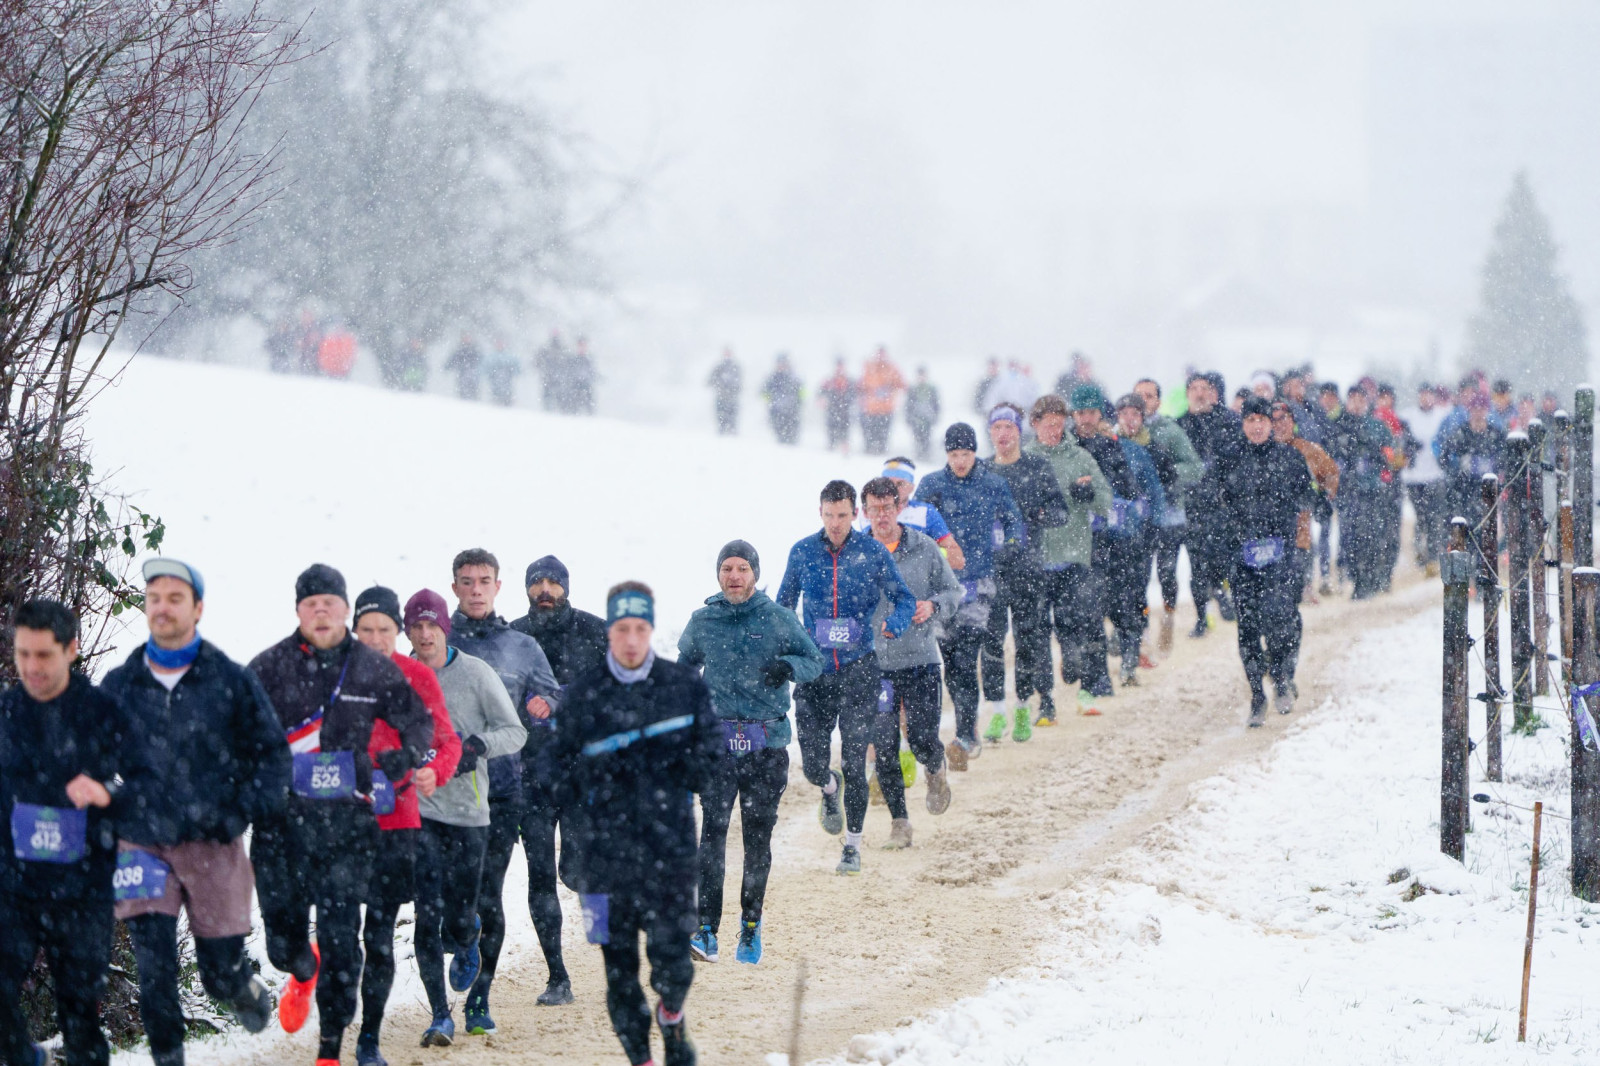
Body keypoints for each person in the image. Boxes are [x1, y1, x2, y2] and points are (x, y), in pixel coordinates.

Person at [102, 560, 288, 1066]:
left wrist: (240, 811)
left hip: (213, 841)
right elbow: (87, 756)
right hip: (143, 841)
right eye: (154, 598)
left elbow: (273, 756)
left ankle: (240, 983)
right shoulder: (120, 685)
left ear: (198, 608)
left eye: (175, 598)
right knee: (154, 970)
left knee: (217, 974)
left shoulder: (230, 681)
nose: (162, 607)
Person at [248, 564, 434, 1066]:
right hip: (280, 827)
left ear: (345, 611)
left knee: (342, 940)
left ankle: (329, 1050)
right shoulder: (268, 667)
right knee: (281, 944)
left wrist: (407, 755)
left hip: (347, 828)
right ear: (298, 611)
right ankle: (301, 966)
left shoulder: (371, 668)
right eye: (311, 604)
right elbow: (233, 733)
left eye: (330, 603)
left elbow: (418, 721)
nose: (321, 611)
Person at [553, 582, 723, 1066]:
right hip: (603, 860)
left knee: (674, 964)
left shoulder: (683, 685)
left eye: (640, 629)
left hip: (669, 853)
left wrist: (676, 769)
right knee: (618, 971)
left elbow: (711, 753)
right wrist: (588, 787)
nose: (631, 640)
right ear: (609, 631)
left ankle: (671, 1014)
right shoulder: (583, 695)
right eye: (622, 629)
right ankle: (642, 1060)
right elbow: (554, 767)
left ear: (651, 630)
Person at [1, 600, 153, 1066]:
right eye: (22, 654)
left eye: (43, 655)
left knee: (80, 1019)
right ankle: (24, 1058)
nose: (31, 667)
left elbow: (154, 787)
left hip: (82, 889)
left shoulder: (104, 712)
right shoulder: (6, 713)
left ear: (72, 649)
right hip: (13, 885)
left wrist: (108, 794)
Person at [678, 541, 823, 963]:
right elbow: (683, 667)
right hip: (718, 747)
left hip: (766, 747)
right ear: (718, 574)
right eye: (727, 568)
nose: (735, 576)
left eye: (743, 568)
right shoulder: (703, 620)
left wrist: (789, 667)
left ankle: (751, 927)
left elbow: (813, 660)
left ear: (755, 574)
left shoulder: (778, 618)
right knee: (713, 835)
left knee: (757, 839)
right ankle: (706, 930)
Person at [445, 549, 571, 1018]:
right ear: (455, 587)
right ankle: (458, 936)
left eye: (484, 581)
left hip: (502, 790)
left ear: (498, 586)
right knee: (453, 894)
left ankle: (480, 997)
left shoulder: (521, 646)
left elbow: (553, 692)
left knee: (489, 894)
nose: (476, 589)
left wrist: (548, 705)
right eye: (467, 581)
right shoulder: (435, 641)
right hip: (444, 794)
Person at [404, 590, 527, 1046]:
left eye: (431, 625)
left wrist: (478, 745)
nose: (424, 635)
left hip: (471, 813)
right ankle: (440, 1015)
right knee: (426, 912)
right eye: (415, 627)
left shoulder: (475, 674)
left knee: (475, 908)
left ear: (445, 627)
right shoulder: (399, 677)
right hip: (420, 811)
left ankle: (478, 996)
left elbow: (515, 731)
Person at [776, 480, 916, 872]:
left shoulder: (872, 552)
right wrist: (787, 647)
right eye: (829, 515)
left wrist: (895, 623)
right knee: (812, 766)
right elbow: (783, 606)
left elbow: (904, 598)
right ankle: (828, 786)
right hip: (815, 673)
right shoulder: (803, 552)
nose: (835, 523)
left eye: (842, 515)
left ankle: (852, 847)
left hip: (858, 671)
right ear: (819, 513)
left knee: (855, 762)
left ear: (855, 514)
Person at [351, 586, 462, 1066]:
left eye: (385, 629)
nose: (376, 638)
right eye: (367, 629)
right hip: (341, 824)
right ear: (354, 631)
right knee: (341, 930)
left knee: (380, 931)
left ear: (398, 632)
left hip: (398, 823)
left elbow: (448, 740)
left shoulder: (416, 676)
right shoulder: (334, 676)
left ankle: (370, 1039)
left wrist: (433, 771)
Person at [911, 425, 1024, 761]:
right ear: (946, 454)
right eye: (953, 454)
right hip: (941, 587)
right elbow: (913, 528)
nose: (960, 461)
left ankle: (965, 735)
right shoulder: (932, 485)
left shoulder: (993, 484)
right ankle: (965, 727)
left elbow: (1013, 520)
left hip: (979, 584)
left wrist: (1011, 545)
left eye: (966, 454)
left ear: (975, 453)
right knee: (950, 662)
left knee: (966, 657)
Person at [860, 480, 961, 848]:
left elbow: (953, 591)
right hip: (876, 666)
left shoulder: (924, 547)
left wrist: (933, 605)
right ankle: (899, 823)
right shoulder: (856, 554)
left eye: (888, 507)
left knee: (920, 738)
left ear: (899, 507)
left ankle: (935, 767)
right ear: (864, 512)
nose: (882, 516)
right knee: (884, 746)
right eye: (874, 509)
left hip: (920, 660)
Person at [1224, 397, 1314, 725]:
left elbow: (1308, 494)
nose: (1257, 426)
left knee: (1279, 620)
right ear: (1243, 424)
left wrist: (1308, 506)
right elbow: (1215, 503)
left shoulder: (1289, 457)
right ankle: (1256, 696)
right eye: (1250, 420)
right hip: (1243, 556)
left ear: (1270, 424)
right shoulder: (1230, 459)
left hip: (1281, 555)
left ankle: (1280, 677)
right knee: (1247, 626)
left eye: (1262, 420)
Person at [982, 404, 1069, 737]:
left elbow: (1060, 511)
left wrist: (1035, 516)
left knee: (1029, 639)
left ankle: (1024, 704)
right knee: (991, 641)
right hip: (991, 571)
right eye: (997, 427)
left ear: (1019, 432)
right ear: (990, 432)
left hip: (1028, 568)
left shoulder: (1037, 467)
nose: (1003, 434)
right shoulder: (981, 471)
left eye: (1009, 427)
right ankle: (996, 711)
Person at [1026, 394, 1113, 719]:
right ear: (1035, 424)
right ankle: (1045, 701)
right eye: (1049, 425)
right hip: (1035, 560)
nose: (1055, 431)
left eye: (1059, 425)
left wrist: (1088, 494)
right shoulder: (1025, 460)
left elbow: (1105, 501)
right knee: (1037, 634)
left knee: (1079, 624)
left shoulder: (1080, 457)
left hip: (1074, 556)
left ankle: (1085, 687)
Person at [1069, 384, 1140, 691]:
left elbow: (1129, 487)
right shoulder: (1066, 447)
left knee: (1119, 601)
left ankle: (1127, 659)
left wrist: (1101, 492)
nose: (1086, 419)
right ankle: (1095, 675)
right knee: (1085, 609)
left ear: (1100, 414)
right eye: (1080, 413)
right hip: (1076, 541)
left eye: (1091, 413)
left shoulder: (1110, 446)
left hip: (1111, 539)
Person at [1130, 379, 1203, 652]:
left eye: (1149, 396)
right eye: (1138, 395)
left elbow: (1195, 467)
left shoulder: (1170, 431)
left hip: (1169, 516)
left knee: (1166, 573)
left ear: (1158, 402)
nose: (1143, 400)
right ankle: (1140, 628)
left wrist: (1169, 475)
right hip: (1136, 519)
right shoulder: (1121, 433)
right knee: (1136, 576)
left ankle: (1169, 615)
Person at [1177, 372, 1243, 635]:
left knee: (1221, 557)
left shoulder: (1227, 422)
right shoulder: (1180, 426)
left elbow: (1236, 460)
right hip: (1191, 505)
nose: (1199, 393)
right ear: (1187, 394)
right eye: (1194, 388)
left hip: (1220, 504)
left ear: (1212, 393)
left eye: (1204, 388)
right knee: (1197, 564)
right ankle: (1202, 618)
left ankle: (1222, 591)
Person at [1112, 395, 1168, 682]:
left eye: (1135, 414)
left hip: (1139, 535)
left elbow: (1158, 489)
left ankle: (1136, 643)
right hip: (1109, 537)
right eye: (1124, 414)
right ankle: (1122, 635)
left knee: (1137, 591)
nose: (1129, 419)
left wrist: (1156, 523)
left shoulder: (1147, 450)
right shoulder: (1104, 446)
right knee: (1112, 593)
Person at [1324, 386, 1394, 600]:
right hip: (1348, 491)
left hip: (1372, 489)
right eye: (1352, 399)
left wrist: (1380, 458)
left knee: (1372, 535)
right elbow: (1331, 456)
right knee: (1350, 536)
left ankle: (1371, 578)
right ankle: (1357, 579)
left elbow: (1391, 453)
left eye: (1360, 399)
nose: (1356, 404)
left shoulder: (1376, 426)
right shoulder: (1338, 426)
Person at [1270, 404, 1340, 606]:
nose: (1279, 424)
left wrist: (1322, 495)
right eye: (1274, 420)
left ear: (1292, 421)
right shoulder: (1264, 450)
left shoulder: (1308, 449)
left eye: (1283, 418)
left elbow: (1331, 473)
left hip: (1300, 516)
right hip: (1270, 516)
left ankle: (1305, 586)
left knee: (1301, 548)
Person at [510, 555, 610, 686]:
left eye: (553, 581)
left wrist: (566, 694)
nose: (545, 589)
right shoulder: (510, 635)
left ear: (565, 589)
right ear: (528, 589)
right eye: (537, 581)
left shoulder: (599, 631)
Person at [876, 459, 966, 571]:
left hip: (918, 580)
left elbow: (957, 558)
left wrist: (920, 558)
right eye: (888, 484)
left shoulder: (924, 512)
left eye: (900, 484)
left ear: (911, 487)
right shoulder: (867, 512)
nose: (893, 489)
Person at [1400, 382, 1450, 574]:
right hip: (1414, 477)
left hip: (1435, 474)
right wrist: (1410, 446)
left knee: (1434, 516)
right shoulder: (1409, 416)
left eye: (1429, 395)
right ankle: (1420, 550)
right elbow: (1400, 438)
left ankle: (1432, 556)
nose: (1426, 398)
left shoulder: (1442, 416)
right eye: (1423, 394)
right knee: (1420, 516)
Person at [859, 346, 906, 453]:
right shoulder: (869, 368)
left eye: (883, 355)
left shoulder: (892, 369)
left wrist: (890, 388)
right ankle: (870, 450)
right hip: (871, 409)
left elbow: (901, 384)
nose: (881, 357)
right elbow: (861, 386)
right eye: (879, 354)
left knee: (883, 435)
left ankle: (880, 450)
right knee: (870, 434)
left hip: (886, 409)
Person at [761, 354, 804, 445]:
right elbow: (763, 392)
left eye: (783, 363)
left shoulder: (794, 379)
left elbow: (802, 393)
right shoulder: (772, 379)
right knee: (779, 436)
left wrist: (798, 403)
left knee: (792, 437)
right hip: (776, 412)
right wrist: (771, 401)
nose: (781, 366)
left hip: (792, 412)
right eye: (780, 363)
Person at [905, 366, 942, 460]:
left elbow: (936, 404)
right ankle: (919, 453)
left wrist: (936, 415)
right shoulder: (913, 389)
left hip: (927, 418)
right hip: (916, 418)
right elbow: (908, 405)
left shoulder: (931, 389)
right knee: (917, 436)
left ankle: (926, 453)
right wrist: (908, 417)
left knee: (927, 436)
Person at [819, 359, 856, 452]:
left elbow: (854, 395)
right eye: (838, 366)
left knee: (845, 431)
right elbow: (820, 392)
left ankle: (844, 448)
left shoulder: (849, 382)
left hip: (845, 412)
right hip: (832, 411)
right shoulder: (829, 381)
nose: (840, 369)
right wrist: (822, 400)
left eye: (841, 367)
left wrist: (848, 401)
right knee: (831, 431)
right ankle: (831, 447)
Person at [708, 348, 742, 435]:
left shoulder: (735, 367)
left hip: (731, 398)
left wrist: (733, 388)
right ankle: (722, 433)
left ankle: (732, 433)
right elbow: (710, 380)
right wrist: (719, 385)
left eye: (728, 354)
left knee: (732, 418)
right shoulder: (719, 367)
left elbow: (739, 383)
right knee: (721, 418)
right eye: (726, 354)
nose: (727, 356)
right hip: (722, 398)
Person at [445, 333, 483, 401]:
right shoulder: (459, 350)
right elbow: (452, 360)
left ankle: (473, 401)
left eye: (468, 337)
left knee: (473, 392)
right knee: (463, 392)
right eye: (465, 338)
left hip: (473, 375)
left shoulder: (475, 350)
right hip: (462, 374)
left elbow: (482, 361)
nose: (466, 339)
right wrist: (447, 367)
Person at [484, 339, 520, 407]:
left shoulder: (509, 356)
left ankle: (506, 402)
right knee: (496, 393)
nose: (500, 346)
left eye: (501, 344)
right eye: (498, 344)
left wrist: (515, 372)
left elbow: (516, 366)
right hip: (495, 381)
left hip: (507, 380)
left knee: (506, 391)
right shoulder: (492, 356)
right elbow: (486, 367)